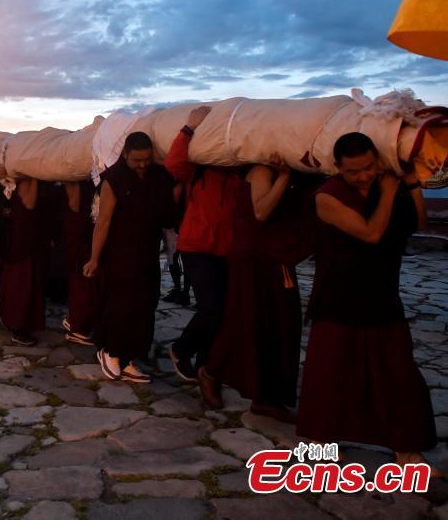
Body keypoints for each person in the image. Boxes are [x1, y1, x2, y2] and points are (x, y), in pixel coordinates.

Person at [296, 132, 439, 473]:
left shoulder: (385, 184)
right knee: (329, 372)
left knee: (398, 371)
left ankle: (407, 447)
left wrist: (409, 184)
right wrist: (389, 192)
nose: (363, 176)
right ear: (337, 169)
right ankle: (320, 443)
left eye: (369, 168)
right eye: (353, 171)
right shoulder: (327, 196)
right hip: (339, 294)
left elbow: (418, 222)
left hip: (382, 291)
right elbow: (371, 233)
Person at [203, 157, 318, 418]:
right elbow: (260, 212)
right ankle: (211, 372)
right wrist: (285, 177)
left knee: (281, 326)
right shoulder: (260, 172)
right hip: (252, 260)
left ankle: (267, 397)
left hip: (275, 257)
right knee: (246, 323)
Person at [164, 106, 243, 407]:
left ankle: (206, 371)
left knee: (223, 314)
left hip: (228, 250)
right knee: (213, 308)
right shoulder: (199, 166)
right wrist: (188, 129)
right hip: (197, 247)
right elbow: (174, 165)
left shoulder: (242, 167)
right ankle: (182, 350)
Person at [84, 131, 175, 382]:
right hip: (119, 254)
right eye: (137, 160)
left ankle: (130, 358)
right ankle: (110, 352)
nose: (143, 164)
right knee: (121, 305)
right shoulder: (113, 179)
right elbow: (103, 222)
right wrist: (94, 259)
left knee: (145, 305)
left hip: (147, 254)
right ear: (125, 155)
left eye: (146, 159)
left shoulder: (157, 176)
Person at [0, 178, 48, 346]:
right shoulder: (25, 179)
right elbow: (30, 203)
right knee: (22, 283)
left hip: (17, 236)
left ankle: (8, 314)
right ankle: (19, 327)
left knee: (14, 281)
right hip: (23, 239)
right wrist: (35, 177)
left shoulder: (11, 178)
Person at [62, 180, 101, 345]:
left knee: (87, 282)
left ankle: (76, 320)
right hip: (79, 229)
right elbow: (75, 202)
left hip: (86, 228)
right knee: (82, 280)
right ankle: (76, 327)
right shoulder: (76, 180)